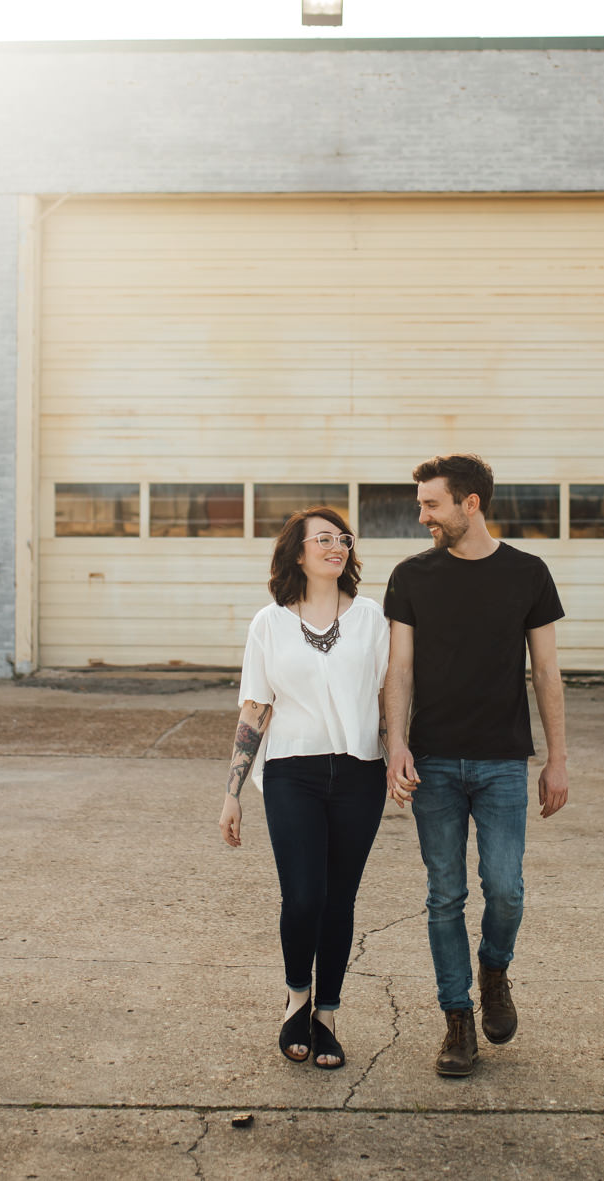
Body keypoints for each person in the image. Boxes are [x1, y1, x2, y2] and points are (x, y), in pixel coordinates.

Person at [382, 453, 569, 1077]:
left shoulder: (528, 573)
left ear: (470, 503)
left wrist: (557, 759)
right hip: (431, 762)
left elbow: (546, 671)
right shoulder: (411, 577)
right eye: (420, 504)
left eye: (431, 504)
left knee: (506, 888)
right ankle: (457, 1020)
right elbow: (399, 671)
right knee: (444, 896)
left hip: (501, 764)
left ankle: (494, 969)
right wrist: (397, 746)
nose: (422, 515)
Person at [218, 506, 390, 1070]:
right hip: (292, 772)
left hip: (360, 772)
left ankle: (328, 1016)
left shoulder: (370, 617)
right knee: (305, 896)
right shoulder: (269, 623)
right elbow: (255, 707)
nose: (335, 546)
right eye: (322, 539)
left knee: (340, 900)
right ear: (298, 552)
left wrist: (399, 758)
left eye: (342, 538)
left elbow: (392, 695)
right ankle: (297, 996)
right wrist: (232, 792)